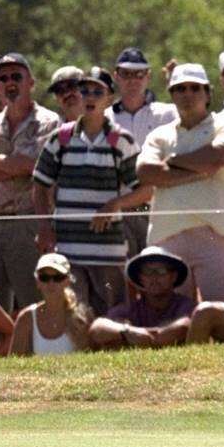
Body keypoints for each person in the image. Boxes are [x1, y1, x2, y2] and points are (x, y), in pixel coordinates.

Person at [30, 67, 143, 313]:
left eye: (97, 91)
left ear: (109, 98)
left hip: (109, 252)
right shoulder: (60, 138)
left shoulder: (120, 140)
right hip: (69, 251)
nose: (89, 97)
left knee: (111, 319)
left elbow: (146, 191)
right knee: (75, 318)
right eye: (84, 91)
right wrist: (44, 227)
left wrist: (115, 205)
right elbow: (40, 186)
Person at [134, 64, 224, 303]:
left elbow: (216, 157)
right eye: (180, 89)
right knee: (172, 316)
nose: (187, 94)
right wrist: (199, 172)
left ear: (207, 94)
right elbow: (145, 172)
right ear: (172, 95)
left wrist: (170, 165)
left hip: (215, 235)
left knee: (221, 314)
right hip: (168, 234)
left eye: (195, 88)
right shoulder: (159, 134)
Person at [0, 53, 61, 313]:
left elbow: (39, 167)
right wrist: (15, 165)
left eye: (16, 76)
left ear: (31, 82)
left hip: (29, 223)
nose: (10, 82)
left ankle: (40, 354)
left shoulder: (49, 121)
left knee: (33, 304)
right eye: (3, 78)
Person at [108, 48, 173, 259]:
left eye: (139, 74)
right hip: (119, 213)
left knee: (159, 275)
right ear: (116, 76)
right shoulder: (106, 118)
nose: (133, 80)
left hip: (158, 211)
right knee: (124, 279)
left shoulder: (167, 113)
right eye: (126, 74)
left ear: (148, 77)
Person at [87, 246, 195, 349]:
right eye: (148, 272)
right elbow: (97, 328)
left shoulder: (185, 305)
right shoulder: (131, 308)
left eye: (161, 271)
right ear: (141, 278)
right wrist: (128, 332)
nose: (154, 277)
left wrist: (146, 338)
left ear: (173, 276)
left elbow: (184, 326)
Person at [7, 252, 93, 355]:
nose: (51, 283)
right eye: (45, 278)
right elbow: (14, 364)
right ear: (37, 282)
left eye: (58, 278)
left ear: (68, 281)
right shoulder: (26, 318)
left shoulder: (82, 318)